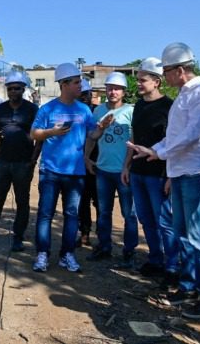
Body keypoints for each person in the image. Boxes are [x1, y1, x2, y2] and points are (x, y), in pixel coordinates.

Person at [129, 42, 200, 319]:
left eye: (166, 70)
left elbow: (193, 134)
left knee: (199, 237)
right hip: (181, 171)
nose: (164, 75)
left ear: (180, 70)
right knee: (183, 233)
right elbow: (174, 134)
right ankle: (188, 286)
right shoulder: (183, 95)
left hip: (198, 172)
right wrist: (155, 151)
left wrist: (162, 153)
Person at [30, 63, 95, 273]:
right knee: (45, 214)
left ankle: (67, 255)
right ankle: (42, 254)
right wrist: (52, 132)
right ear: (64, 84)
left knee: (71, 215)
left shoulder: (84, 110)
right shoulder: (47, 109)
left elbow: (93, 135)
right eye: (76, 82)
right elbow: (34, 133)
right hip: (50, 171)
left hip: (75, 173)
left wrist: (102, 128)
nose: (80, 86)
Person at [122, 58, 178, 288]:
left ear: (157, 82)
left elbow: (175, 143)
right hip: (138, 172)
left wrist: (171, 176)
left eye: (143, 80)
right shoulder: (140, 106)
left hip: (159, 174)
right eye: (138, 80)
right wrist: (127, 166)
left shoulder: (169, 107)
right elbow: (133, 139)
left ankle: (172, 267)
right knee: (146, 218)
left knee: (164, 221)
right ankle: (155, 259)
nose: (139, 84)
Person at [0, 71, 41, 252]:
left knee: (22, 201)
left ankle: (18, 238)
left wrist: (33, 160)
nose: (13, 91)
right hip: (2, 162)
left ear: (23, 89)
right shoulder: (0, 109)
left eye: (17, 88)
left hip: (23, 163)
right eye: (10, 88)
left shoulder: (32, 110)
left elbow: (39, 137)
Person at [85, 72, 137, 268]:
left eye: (117, 88)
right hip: (103, 170)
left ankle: (129, 251)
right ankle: (104, 246)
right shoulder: (98, 111)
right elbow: (92, 136)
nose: (113, 91)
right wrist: (87, 157)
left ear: (123, 91)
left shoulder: (130, 111)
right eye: (109, 88)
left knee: (129, 214)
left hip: (122, 171)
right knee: (104, 211)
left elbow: (134, 142)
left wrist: (127, 166)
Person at [77, 79, 98, 247]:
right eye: (81, 94)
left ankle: (103, 236)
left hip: (98, 163)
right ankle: (84, 233)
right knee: (82, 201)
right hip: (77, 164)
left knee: (100, 202)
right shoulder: (74, 113)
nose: (85, 97)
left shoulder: (98, 112)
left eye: (87, 94)